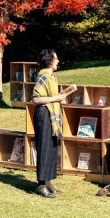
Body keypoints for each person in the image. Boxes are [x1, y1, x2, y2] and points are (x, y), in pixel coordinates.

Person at [31, 48, 77, 198]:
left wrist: (59, 96)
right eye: (56, 59)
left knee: (52, 147)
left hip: (51, 115)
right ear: (50, 61)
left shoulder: (52, 76)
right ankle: (41, 185)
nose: (58, 61)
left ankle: (49, 182)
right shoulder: (43, 76)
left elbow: (50, 96)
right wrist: (55, 98)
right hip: (44, 114)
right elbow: (36, 99)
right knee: (44, 148)